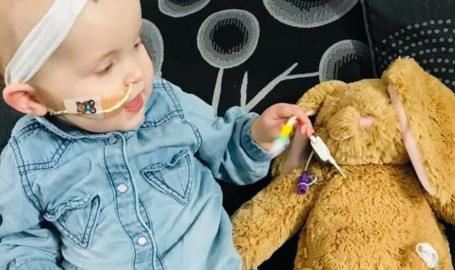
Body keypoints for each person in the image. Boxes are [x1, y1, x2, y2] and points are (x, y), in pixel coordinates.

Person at [0, 0, 314, 269]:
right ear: (32, 100)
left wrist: (258, 134)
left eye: (136, 44)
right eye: (106, 67)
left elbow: (229, 151)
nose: (136, 72)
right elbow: (20, 243)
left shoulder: (167, 105)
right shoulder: (26, 160)